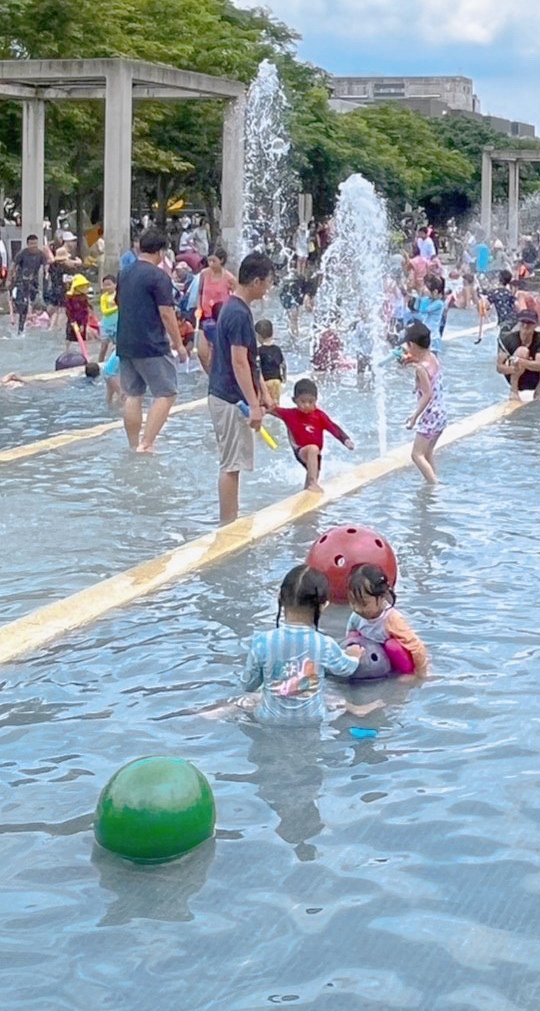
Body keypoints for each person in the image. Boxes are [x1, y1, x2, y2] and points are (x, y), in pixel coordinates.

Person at [241, 564, 363, 725]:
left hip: (270, 720)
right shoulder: (324, 644)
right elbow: (346, 669)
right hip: (312, 720)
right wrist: (354, 657)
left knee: (248, 700)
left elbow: (248, 684)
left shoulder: (263, 642)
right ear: (323, 605)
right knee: (335, 699)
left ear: (280, 598)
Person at [206, 252, 272, 522]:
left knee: (233, 463)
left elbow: (249, 360)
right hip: (231, 399)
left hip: (230, 396)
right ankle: (228, 521)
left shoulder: (236, 309)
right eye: (268, 282)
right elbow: (239, 362)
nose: (269, 288)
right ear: (256, 281)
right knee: (231, 465)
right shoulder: (238, 313)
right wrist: (253, 405)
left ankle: (231, 515)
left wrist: (263, 392)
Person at [117, 230, 186, 455]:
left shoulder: (124, 273)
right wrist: (179, 344)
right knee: (166, 393)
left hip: (125, 341)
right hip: (151, 343)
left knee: (133, 394)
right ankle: (147, 443)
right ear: (161, 252)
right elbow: (167, 313)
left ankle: (133, 443)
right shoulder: (159, 277)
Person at [344, 563, 428, 678]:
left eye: (363, 603)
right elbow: (350, 632)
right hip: (372, 658)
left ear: (382, 597)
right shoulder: (356, 617)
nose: (357, 608)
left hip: (393, 661)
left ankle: (405, 673)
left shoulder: (392, 619)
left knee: (393, 645)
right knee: (354, 637)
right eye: (352, 602)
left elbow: (416, 647)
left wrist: (420, 673)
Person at [272, 377, 352, 491]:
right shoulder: (290, 414)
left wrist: (345, 440)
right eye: (302, 401)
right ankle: (313, 483)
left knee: (309, 489)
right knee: (313, 450)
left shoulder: (319, 416)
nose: (307, 405)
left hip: (315, 457)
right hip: (301, 451)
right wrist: (258, 409)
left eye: (311, 402)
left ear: (316, 400)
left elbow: (333, 428)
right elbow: (271, 410)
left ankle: (308, 491)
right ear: (294, 400)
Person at [400, 321, 444, 486]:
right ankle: (434, 481)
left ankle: (434, 486)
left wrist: (414, 417)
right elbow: (430, 379)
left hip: (430, 415)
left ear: (413, 345)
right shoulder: (432, 357)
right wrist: (412, 363)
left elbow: (427, 394)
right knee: (427, 452)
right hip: (441, 414)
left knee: (416, 455)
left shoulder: (421, 368)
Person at [497, 308, 540, 400]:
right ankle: (514, 390)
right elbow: (499, 368)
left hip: (534, 377)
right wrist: (513, 369)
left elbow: (538, 365)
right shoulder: (508, 339)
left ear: (535, 325)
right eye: (523, 322)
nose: (525, 326)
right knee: (522, 351)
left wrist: (519, 360)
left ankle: (538, 390)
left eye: (529, 323)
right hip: (515, 375)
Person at [11, 233, 52, 335]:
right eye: (31, 244)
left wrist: (47, 272)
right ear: (27, 244)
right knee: (23, 303)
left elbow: (46, 264)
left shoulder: (40, 254)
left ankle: (31, 322)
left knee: (33, 302)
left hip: (34, 281)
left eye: (35, 243)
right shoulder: (22, 253)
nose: (34, 246)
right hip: (21, 281)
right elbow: (13, 265)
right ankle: (21, 328)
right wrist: (10, 278)